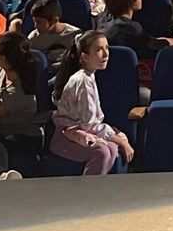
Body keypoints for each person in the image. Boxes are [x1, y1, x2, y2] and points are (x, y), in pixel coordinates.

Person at [49, 31, 132, 175]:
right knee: (102, 152)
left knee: (111, 148)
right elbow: (89, 124)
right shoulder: (82, 81)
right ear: (84, 57)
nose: (105, 54)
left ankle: (99, 192)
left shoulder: (89, 76)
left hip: (82, 132)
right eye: (99, 50)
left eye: (106, 48)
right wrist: (122, 141)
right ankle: (87, 195)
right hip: (65, 138)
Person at [0, 31, 45, 181]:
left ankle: (2, 175)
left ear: (4, 58)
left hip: (24, 135)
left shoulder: (17, 91)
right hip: (4, 126)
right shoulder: (4, 70)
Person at [23, 0, 81, 69]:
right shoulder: (34, 38)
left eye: (39, 22)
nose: (35, 26)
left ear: (54, 20)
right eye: (34, 22)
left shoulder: (75, 35)